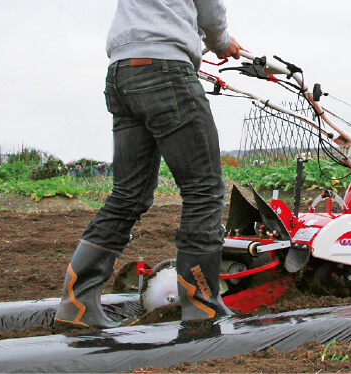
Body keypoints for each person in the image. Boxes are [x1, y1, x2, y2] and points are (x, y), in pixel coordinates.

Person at [54, 0, 241, 331]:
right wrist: (222, 41)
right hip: (165, 69)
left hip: (121, 72)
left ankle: (77, 304)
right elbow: (210, 12)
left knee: (128, 194)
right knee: (204, 189)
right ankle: (202, 309)